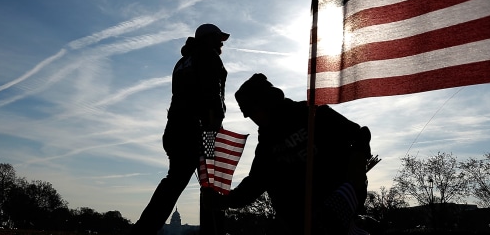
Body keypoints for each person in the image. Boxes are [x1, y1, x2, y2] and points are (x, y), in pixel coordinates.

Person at [221, 73, 373, 234]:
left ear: (266, 102)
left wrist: (359, 157)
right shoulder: (267, 145)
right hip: (300, 221)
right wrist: (227, 200)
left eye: (253, 111)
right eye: (248, 115)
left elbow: (360, 134)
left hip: (338, 202)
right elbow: (255, 183)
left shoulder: (312, 114)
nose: (253, 118)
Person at [131, 23, 230, 235]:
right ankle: (214, 232)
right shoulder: (208, 56)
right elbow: (212, 94)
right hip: (201, 129)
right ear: (208, 39)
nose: (221, 43)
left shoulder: (182, 61)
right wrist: (213, 129)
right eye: (218, 38)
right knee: (211, 184)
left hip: (175, 128)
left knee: (174, 183)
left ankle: (142, 230)